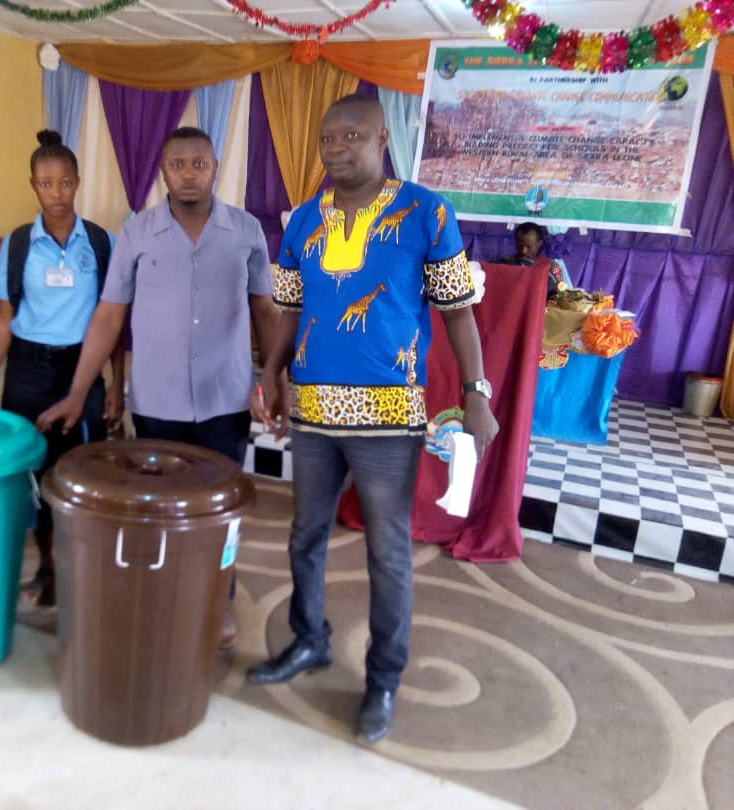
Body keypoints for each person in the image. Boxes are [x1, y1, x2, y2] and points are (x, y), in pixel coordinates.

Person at [246, 94, 499, 747]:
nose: (337, 148)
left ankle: (383, 678)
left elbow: (457, 309)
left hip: (389, 415)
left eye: (352, 135)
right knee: (305, 535)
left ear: (383, 138)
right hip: (313, 411)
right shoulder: (304, 220)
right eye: (328, 138)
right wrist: (270, 375)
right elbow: (288, 310)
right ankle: (309, 640)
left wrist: (476, 391)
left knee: (388, 552)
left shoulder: (426, 212)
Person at [36, 126, 280, 648]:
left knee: (220, 511)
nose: (189, 174)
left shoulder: (246, 231)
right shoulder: (137, 233)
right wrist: (80, 390)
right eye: (177, 165)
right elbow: (109, 315)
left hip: (224, 399)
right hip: (157, 402)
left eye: (199, 164)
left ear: (215, 168)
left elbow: (265, 309)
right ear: (164, 172)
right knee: (159, 505)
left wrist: (275, 378)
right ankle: (164, 593)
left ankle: (218, 599)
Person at [0, 129, 124, 607]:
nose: (56, 193)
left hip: (83, 369)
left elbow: (112, 319)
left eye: (64, 183)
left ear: (77, 183)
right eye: (45, 183)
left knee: (81, 472)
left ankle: (81, 565)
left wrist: (117, 383)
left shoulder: (101, 243)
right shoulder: (18, 245)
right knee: (32, 473)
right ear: (33, 185)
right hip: (28, 371)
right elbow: (4, 319)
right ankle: (49, 568)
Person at [496, 221, 570, 299]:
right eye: (520, 245)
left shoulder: (551, 268)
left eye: (529, 246)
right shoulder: (505, 264)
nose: (523, 251)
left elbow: (557, 298)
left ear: (539, 243)